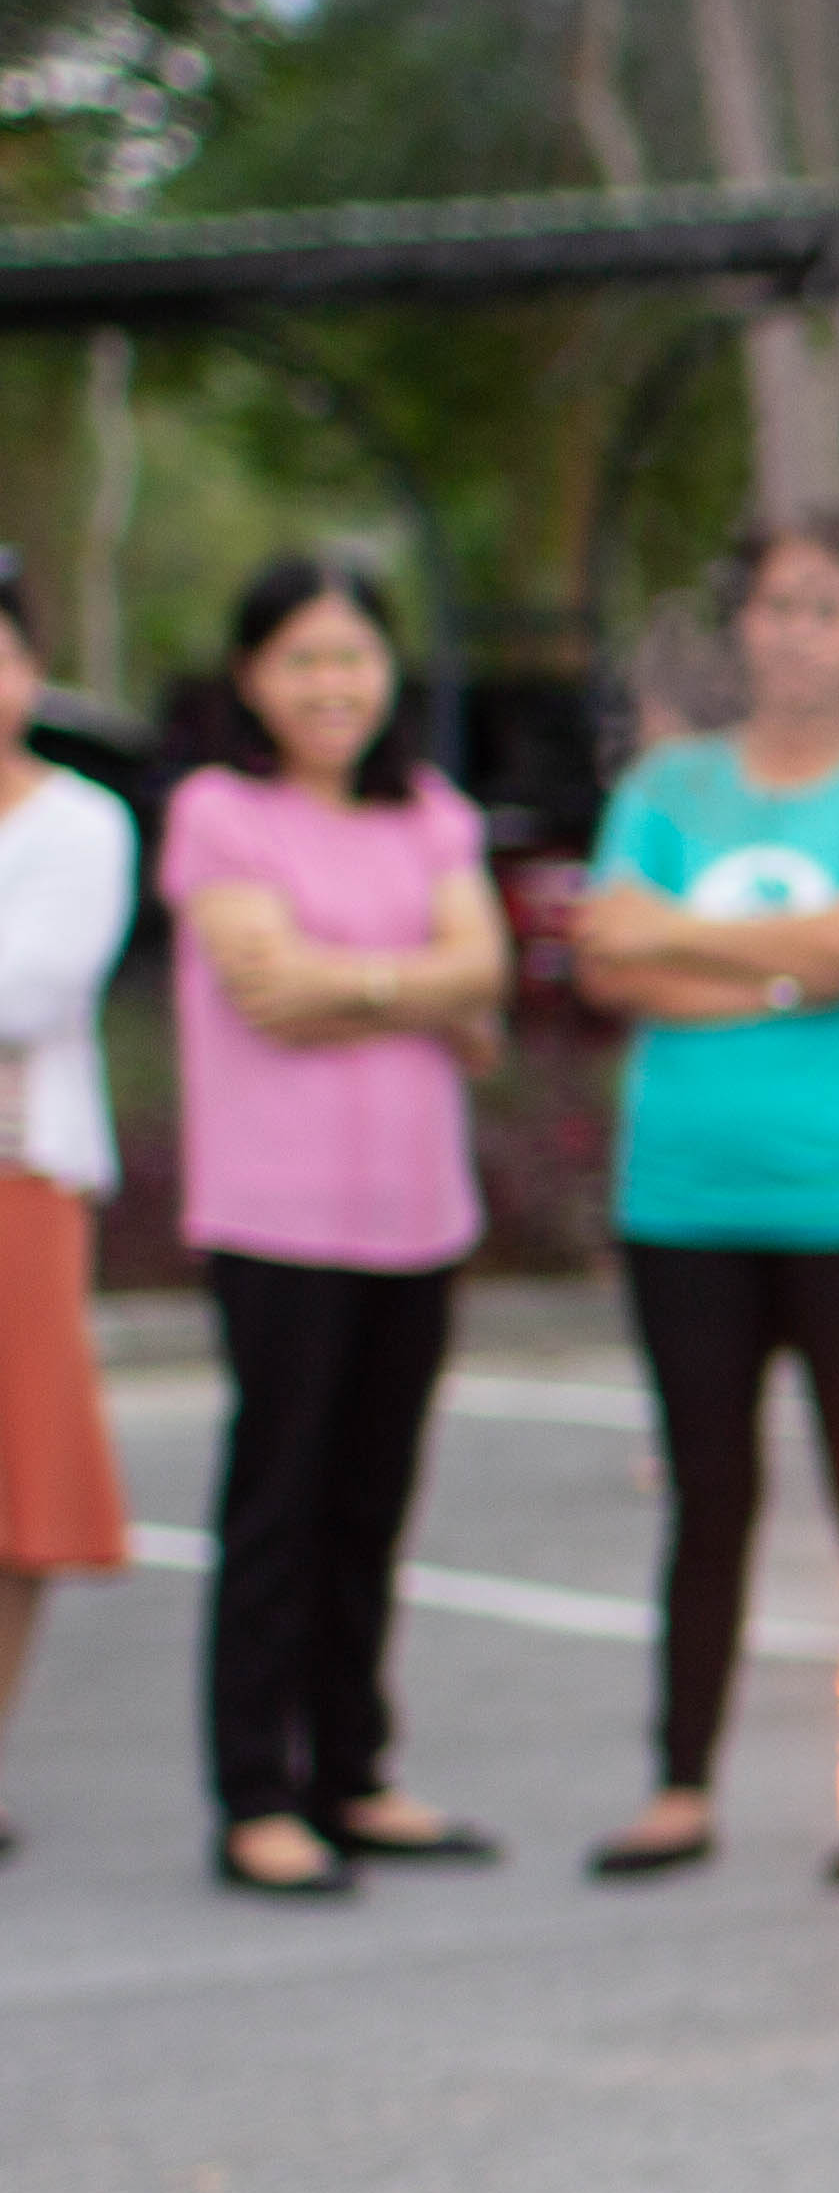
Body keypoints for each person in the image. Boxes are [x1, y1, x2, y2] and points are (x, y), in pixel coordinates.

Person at [567, 517, 839, 1880]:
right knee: (708, 1494)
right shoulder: (666, 786)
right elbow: (608, 963)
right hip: (684, 1201)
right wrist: (799, 971)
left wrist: (692, 943)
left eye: (829, 608)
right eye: (779, 605)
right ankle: (679, 1787)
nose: (799, 632)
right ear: (741, 625)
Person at [162, 555, 514, 1897]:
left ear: (389, 672)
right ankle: (256, 1794)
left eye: (354, 656)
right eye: (302, 658)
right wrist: (424, 987)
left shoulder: (430, 812)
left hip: (418, 1213)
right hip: (277, 1216)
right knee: (279, 1504)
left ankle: (353, 1775)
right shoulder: (218, 812)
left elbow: (485, 971)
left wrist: (350, 981)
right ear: (252, 678)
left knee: (372, 1502)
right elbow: (267, 989)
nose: (331, 684)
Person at [0, 551, 138, 1860]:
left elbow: (31, 990)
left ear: (33, 672)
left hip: (21, 1187)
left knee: (16, 1487)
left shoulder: (84, 825)